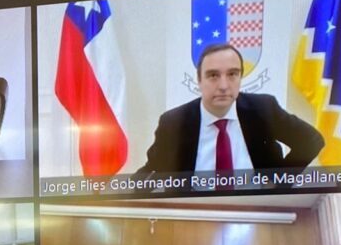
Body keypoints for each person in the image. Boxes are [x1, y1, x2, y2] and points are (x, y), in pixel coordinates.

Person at [138, 44, 323, 175]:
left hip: (257, 209)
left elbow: (311, 140)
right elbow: (152, 170)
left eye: (233, 74)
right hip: (196, 210)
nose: (224, 86)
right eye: (213, 75)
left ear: (241, 77)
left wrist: (279, 181)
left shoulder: (263, 109)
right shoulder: (173, 122)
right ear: (199, 80)